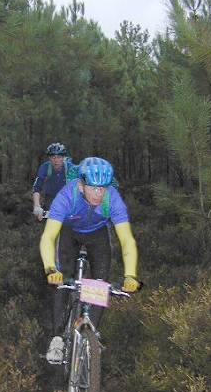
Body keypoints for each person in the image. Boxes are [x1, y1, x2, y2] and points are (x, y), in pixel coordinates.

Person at [39, 156, 141, 363]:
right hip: (69, 232)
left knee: (100, 284)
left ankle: (91, 333)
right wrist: (50, 268)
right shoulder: (67, 196)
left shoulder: (113, 199)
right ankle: (57, 338)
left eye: (103, 188)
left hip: (97, 234)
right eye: (93, 188)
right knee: (61, 280)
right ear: (81, 185)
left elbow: (127, 240)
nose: (98, 193)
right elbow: (48, 236)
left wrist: (130, 275)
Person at [32, 142, 73, 220]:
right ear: (49, 158)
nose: (56, 160)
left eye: (59, 157)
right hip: (50, 201)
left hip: (67, 201)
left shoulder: (70, 168)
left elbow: (79, 186)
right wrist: (37, 206)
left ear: (63, 157)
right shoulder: (45, 168)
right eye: (53, 157)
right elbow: (36, 188)